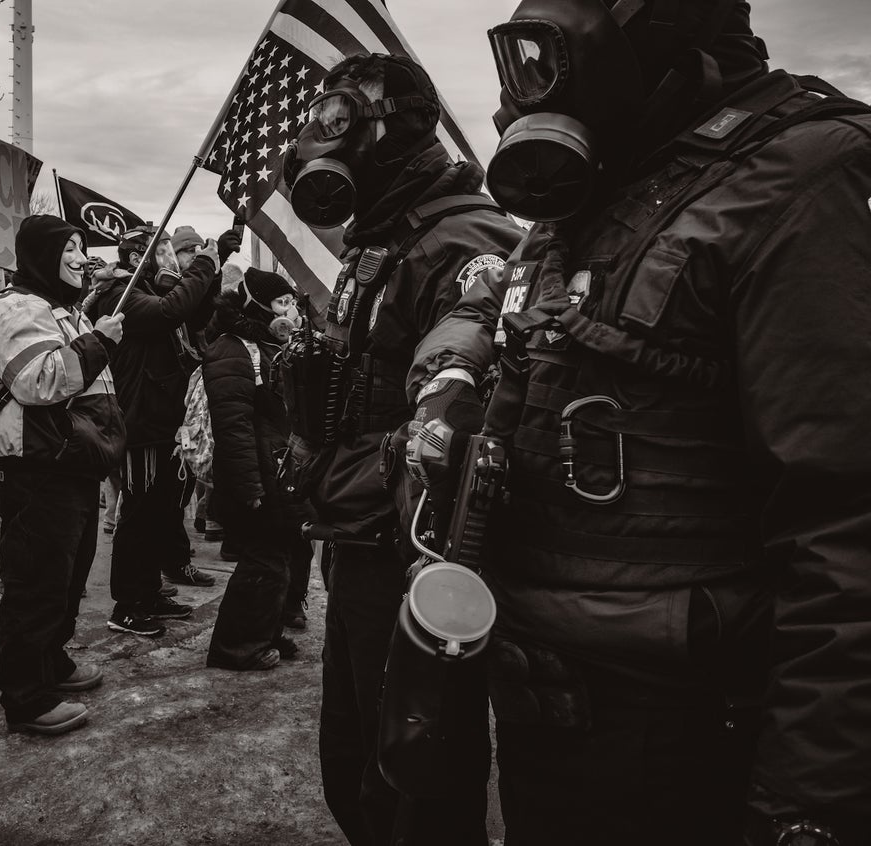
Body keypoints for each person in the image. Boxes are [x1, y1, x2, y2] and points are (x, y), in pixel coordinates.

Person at [410, 2, 871, 845]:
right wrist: (452, 375)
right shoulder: (599, 194)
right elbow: (491, 300)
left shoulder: (802, 173)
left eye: (545, 56)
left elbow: (847, 525)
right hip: (551, 705)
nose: (525, 86)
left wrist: (809, 806)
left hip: (683, 735)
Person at [279, 53, 524, 846]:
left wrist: (353, 468)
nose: (325, 134)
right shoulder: (378, 241)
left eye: (344, 115)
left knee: (415, 785)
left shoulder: (465, 239)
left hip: (411, 556)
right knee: (352, 765)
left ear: (402, 126)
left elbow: (465, 419)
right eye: (322, 116)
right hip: (353, 535)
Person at [0, 215, 126, 735]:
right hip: (37, 469)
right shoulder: (16, 308)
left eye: (83, 247)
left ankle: (51, 662)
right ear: (40, 254)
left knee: (67, 577)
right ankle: (25, 697)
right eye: (71, 248)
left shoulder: (63, 311)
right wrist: (99, 341)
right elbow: (38, 382)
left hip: (72, 465)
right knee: (36, 584)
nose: (83, 258)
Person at [86, 225, 222, 637]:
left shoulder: (149, 289)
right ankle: (126, 605)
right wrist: (203, 264)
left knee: (161, 511)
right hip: (141, 422)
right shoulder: (121, 296)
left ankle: (148, 592)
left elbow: (193, 312)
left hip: (162, 420)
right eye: (161, 249)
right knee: (138, 516)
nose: (169, 256)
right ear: (136, 258)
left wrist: (217, 267)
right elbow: (170, 312)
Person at [203, 269, 312, 671]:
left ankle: (264, 633)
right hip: (253, 476)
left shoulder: (270, 344)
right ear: (258, 305)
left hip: (277, 470)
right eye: (283, 303)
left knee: (277, 559)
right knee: (262, 562)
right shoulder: (234, 349)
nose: (292, 311)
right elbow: (233, 426)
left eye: (292, 302)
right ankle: (235, 648)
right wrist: (250, 487)